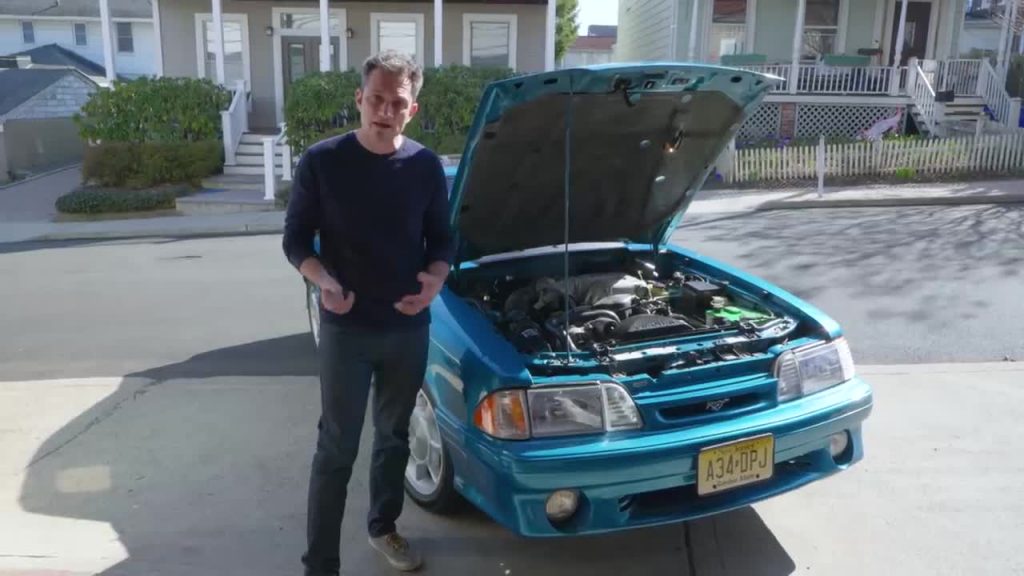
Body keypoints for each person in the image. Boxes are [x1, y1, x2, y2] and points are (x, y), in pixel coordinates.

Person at [281, 50, 453, 575]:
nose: (384, 110)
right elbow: (294, 241)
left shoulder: (425, 166)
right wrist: (324, 281)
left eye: (396, 103)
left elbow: (443, 240)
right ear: (359, 99)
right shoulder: (323, 160)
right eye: (375, 99)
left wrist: (435, 280)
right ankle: (321, 564)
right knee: (336, 447)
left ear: (412, 109)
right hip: (346, 329)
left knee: (395, 437)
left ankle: (384, 527)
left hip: (406, 327)